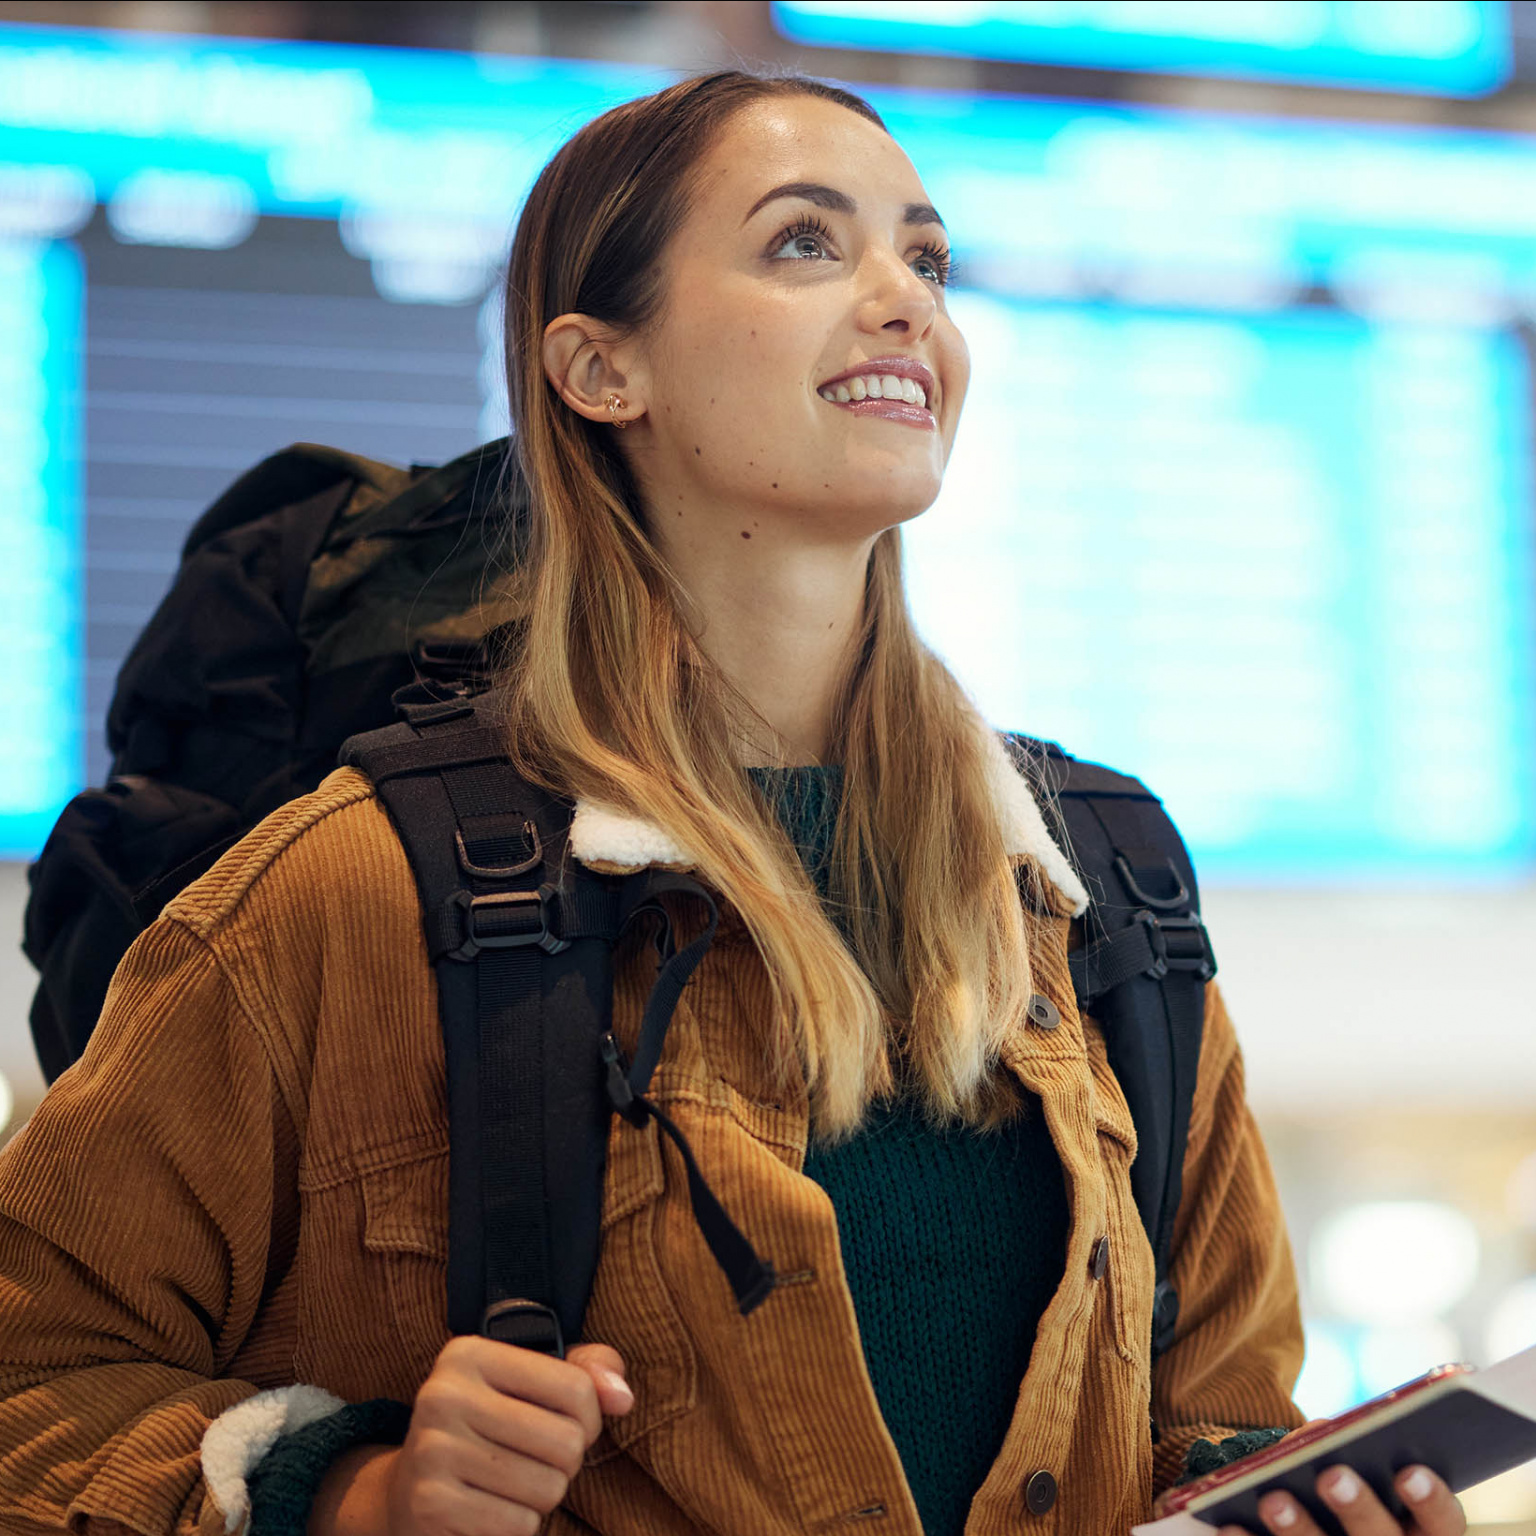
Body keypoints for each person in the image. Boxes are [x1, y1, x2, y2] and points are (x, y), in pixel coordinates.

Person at [0, 70, 1466, 1536]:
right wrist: (356, 1497)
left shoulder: (1100, 894)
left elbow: (1213, 1417)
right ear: (597, 370)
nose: (907, 304)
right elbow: (32, 1383)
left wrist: (1299, 1505)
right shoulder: (354, 890)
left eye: (927, 257)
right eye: (805, 245)